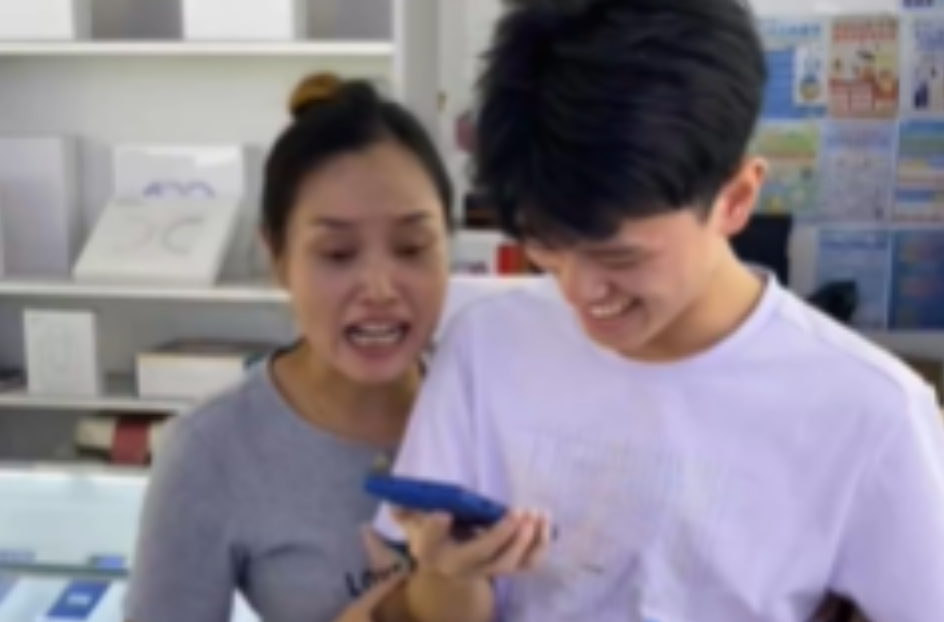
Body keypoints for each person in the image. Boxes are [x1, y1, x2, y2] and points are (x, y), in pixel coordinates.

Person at [374, 1, 944, 621]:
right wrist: (446, 573)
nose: (579, 292)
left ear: (735, 199)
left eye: (619, 257)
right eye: (547, 247)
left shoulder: (872, 412)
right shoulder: (488, 345)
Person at [125, 72, 453, 622]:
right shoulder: (209, 452)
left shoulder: (495, 403)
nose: (379, 288)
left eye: (412, 247)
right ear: (278, 256)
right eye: (338, 254)